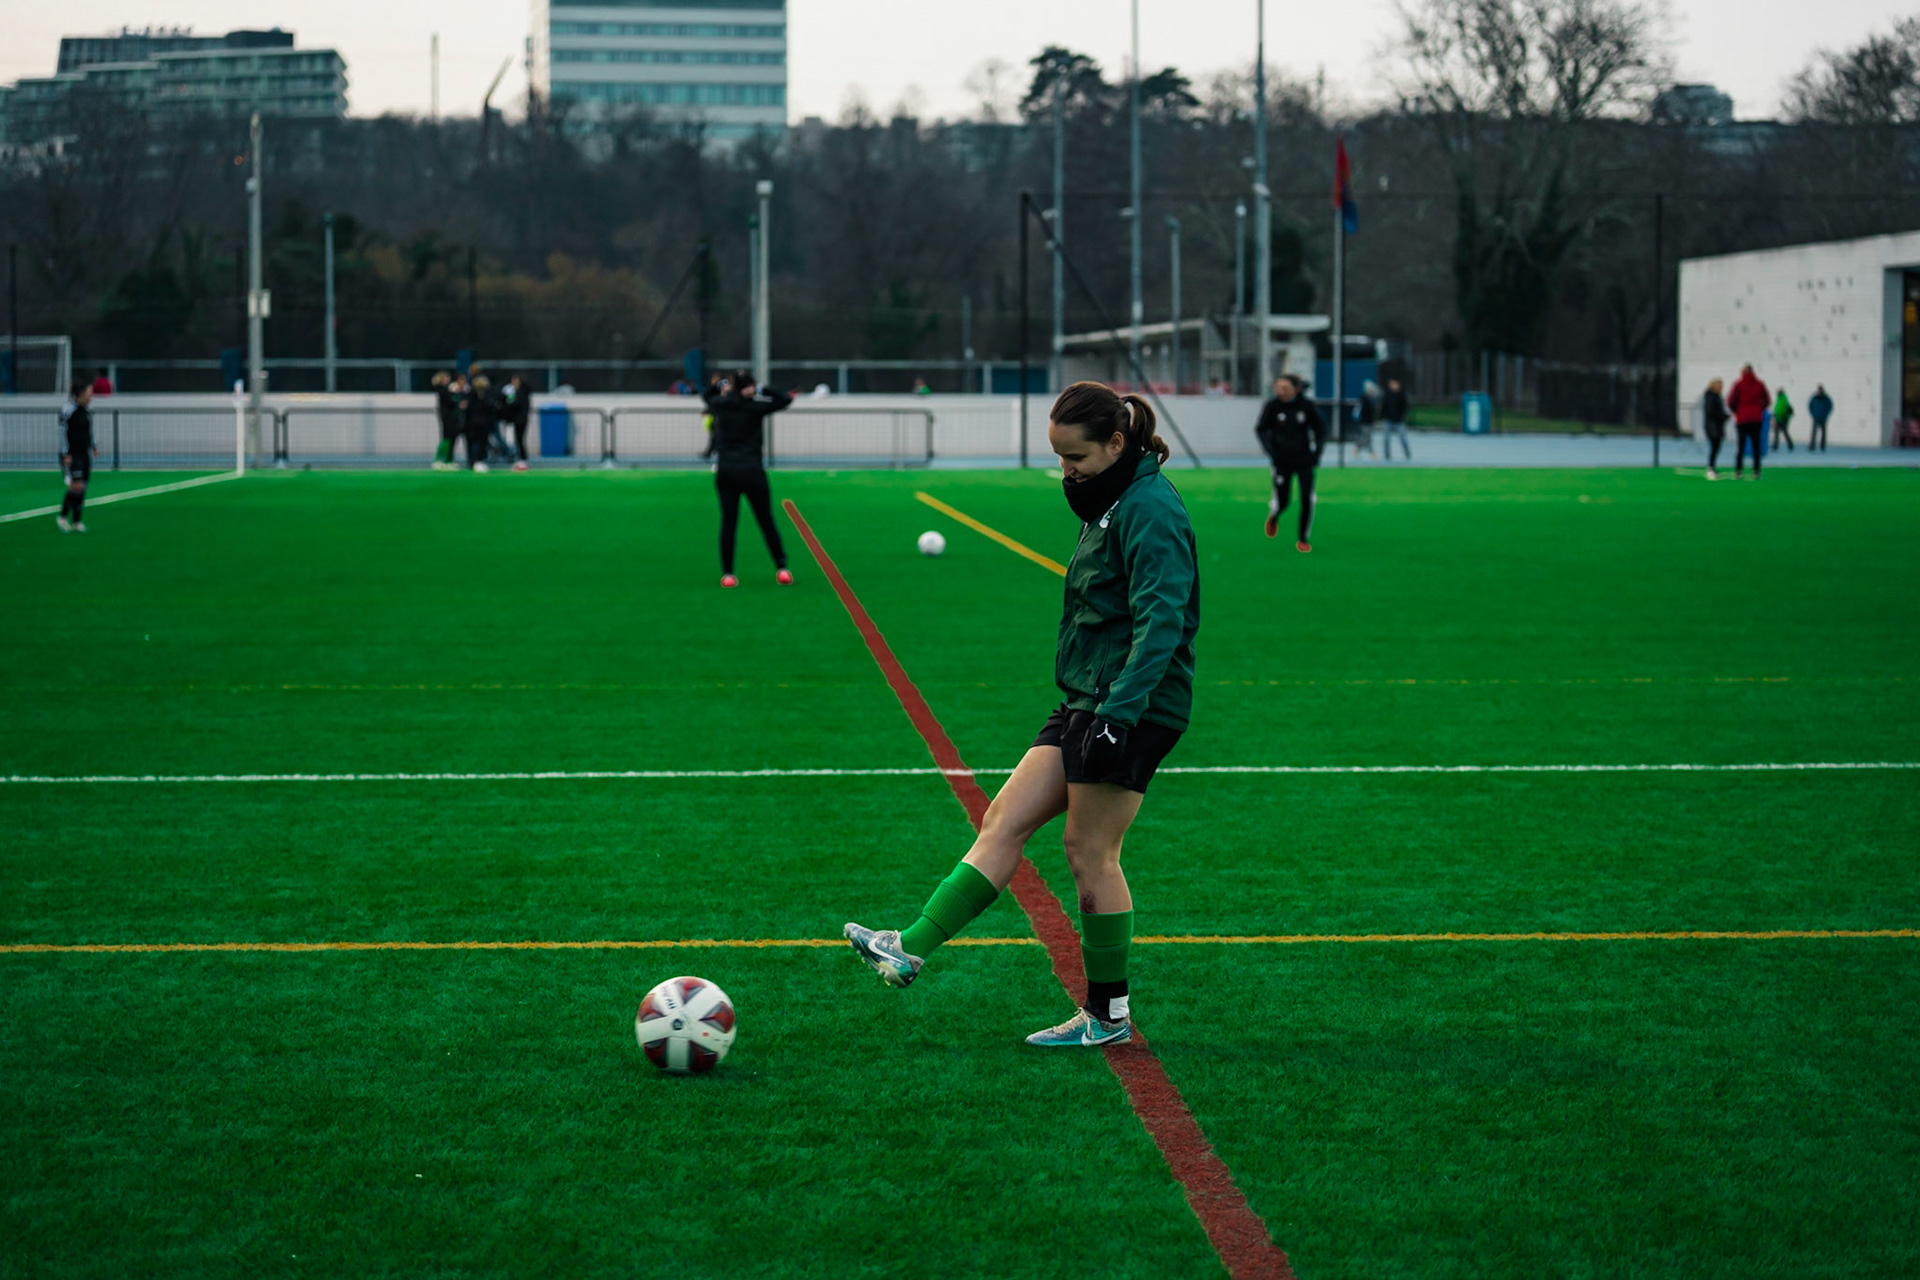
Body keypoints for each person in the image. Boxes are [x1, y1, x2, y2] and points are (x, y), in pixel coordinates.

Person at [844, 381, 1198, 1049]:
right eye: (1060, 459)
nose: (1067, 473)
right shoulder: (1113, 500)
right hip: (1088, 697)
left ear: (1117, 445)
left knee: (1091, 851)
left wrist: (1118, 717)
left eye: (1076, 459)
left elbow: (1162, 625)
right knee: (1004, 818)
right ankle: (909, 948)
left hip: (1132, 705)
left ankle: (1107, 1016)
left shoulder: (1150, 509)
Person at [701, 371, 794, 588]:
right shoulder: (755, 407)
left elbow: (706, 395)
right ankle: (781, 568)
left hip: (727, 471)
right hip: (752, 471)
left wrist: (721, 386)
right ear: (749, 387)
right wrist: (760, 389)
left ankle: (728, 574)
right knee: (765, 520)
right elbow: (785, 399)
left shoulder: (721, 404)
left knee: (729, 522)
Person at [1255, 374, 1327, 551]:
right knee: (1283, 500)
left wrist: (1316, 453)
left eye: (1285, 388)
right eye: (1278, 388)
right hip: (1281, 462)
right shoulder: (1272, 406)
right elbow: (1261, 429)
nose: (1281, 391)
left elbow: (1321, 430)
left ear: (1295, 389)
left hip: (1304, 460)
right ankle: (1274, 516)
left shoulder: (1307, 406)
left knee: (1306, 499)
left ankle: (1303, 538)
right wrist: (1272, 452)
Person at [56, 379, 97, 533]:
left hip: (84, 453)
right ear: (79, 394)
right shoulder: (68, 410)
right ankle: (63, 517)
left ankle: (77, 521)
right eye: (88, 393)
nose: (90, 396)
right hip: (72, 454)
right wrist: (64, 453)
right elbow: (61, 432)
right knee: (76, 486)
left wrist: (93, 445)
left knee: (83, 486)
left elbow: (89, 430)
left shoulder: (87, 410)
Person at [1726, 364, 1769, 478]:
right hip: (1756, 418)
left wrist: (1737, 411)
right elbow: (1767, 400)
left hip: (1742, 419)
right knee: (1756, 446)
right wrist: (1759, 409)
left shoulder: (1738, 385)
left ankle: (1739, 470)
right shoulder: (1759, 384)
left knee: (1741, 445)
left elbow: (1731, 401)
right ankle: (1756, 470)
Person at [497, 375, 532, 471]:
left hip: (519, 419)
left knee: (519, 439)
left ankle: (522, 459)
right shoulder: (522, 392)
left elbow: (515, 404)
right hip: (520, 419)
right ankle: (521, 459)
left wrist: (503, 405)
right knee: (518, 440)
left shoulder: (521, 392)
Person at [432, 371, 465, 470]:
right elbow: (451, 399)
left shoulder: (446, 389)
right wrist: (456, 394)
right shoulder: (442, 389)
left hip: (451, 415)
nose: (447, 379)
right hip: (447, 416)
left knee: (451, 437)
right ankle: (438, 459)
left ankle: (448, 460)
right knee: (446, 437)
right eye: (445, 378)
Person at [464, 374, 496, 472]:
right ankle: (478, 461)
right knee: (481, 443)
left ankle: (473, 461)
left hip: (473, 422)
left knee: (474, 443)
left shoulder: (471, 394)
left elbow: (467, 409)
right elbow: (491, 409)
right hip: (483, 422)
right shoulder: (487, 395)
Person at [1701, 377, 1729, 479]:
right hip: (1712, 427)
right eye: (1719, 386)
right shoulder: (1710, 397)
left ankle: (1712, 467)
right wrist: (1723, 417)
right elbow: (1712, 412)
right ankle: (1711, 468)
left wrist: (1724, 416)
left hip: (1716, 426)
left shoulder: (1717, 397)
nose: (1721, 388)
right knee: (1714, 447)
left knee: (1716, 447)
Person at [1380, 377, 1412, 460]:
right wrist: (1383, 415)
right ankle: (1387, 455)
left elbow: (1405, 407)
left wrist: (1401, 416)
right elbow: (1384, 406)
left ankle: (1407, 453)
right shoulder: (1387, 395)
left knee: (1402, 438)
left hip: (1398, 420)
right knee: (1386, 438)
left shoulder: (1401, 395)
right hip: (1388, 419)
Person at [1808, 385, 1833, 451]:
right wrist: (1813, 414)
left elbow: (1830, 407)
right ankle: (1812, 446)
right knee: (1814, 433)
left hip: (1823, 418)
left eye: (1820, 390)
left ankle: (1822, 446)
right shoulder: (1815, 398)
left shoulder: (1826, 398)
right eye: (1819, 390)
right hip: (1816, 417)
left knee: (1823, 433)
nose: (1819, 391)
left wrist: (1826, 415)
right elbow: (1810, 406)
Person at [1771, 387, 1795, 452]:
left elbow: (1781, 409)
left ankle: (1777, 445)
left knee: (1780, 433)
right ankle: (1789, 445)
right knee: (1782, 433)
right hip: (1780, 418)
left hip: (1781, 419)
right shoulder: (1781, 399)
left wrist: (1776, 415)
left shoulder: (1781, 399)